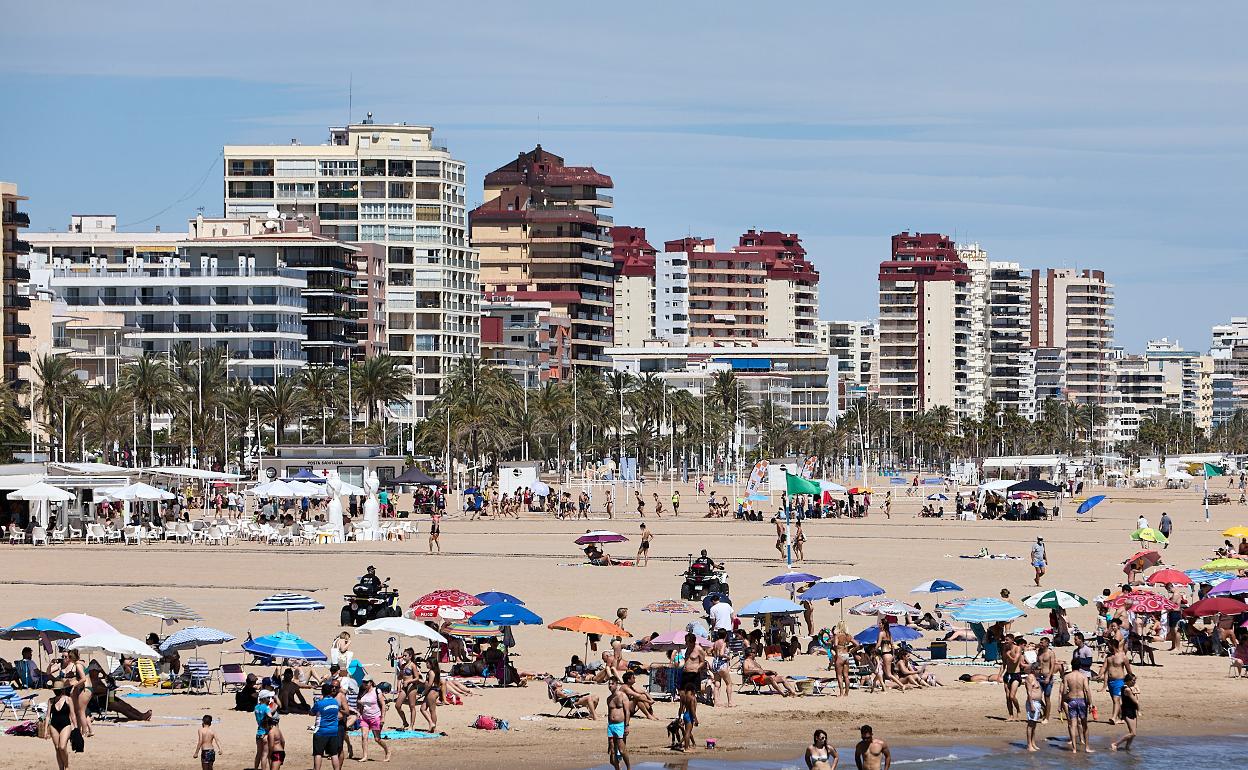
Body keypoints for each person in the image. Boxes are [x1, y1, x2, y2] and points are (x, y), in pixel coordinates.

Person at [677, 632, 706, 751]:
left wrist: (697, 668)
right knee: (682, 697)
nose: (686, 643)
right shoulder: (686, 650)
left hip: (694, 674)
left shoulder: (698, 649)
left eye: (688, 641)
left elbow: (703, 661)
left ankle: (691, 716)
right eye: (686, 641)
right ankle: (682, 716)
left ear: (693, 641)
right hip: (685, 673)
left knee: (691, 697)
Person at [311, 682, 344, 770]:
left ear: (322, 692)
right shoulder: (335, 702)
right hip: (333, 730)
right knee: (334, 754)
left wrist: (315, 703)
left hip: (321, 731)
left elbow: (311, 712)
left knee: (318, 753)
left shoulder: (320, 703)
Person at [46, 680, 77, 770]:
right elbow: (48, 716)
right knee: (57, 748)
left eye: (58, 690)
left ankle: (66, 766)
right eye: (55, 690)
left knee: (62, 747)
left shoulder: (68, 699)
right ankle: (61, 768)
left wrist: (76, 727)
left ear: (62, 690)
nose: (56, 691)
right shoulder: (51, 701)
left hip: (66, 725)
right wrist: (45, 730)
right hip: (53, 725)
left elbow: (73, 714)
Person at [1102, 639, 1133, 725]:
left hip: (1119, 681)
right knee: (1115, 701)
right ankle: (1121, 718)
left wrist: (1132, 679)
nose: (1108, 647)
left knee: (1116, 699)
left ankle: (1113, 718)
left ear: (1113, 646)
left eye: (1109, 645)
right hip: (1110, 682)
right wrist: (1099, 675)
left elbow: (1129, 670)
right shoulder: (1109, 657)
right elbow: (1104, 668)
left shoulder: (1123, 657)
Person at [1110, 672, 1140, 751]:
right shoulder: (1127, 689)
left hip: (1132, 709)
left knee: (1132, 733)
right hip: (1127, 711)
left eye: (1135, 680)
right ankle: (1115, 744)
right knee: (1133, 733)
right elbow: (1136, 701)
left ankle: (1127, 747)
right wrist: (1137, 692)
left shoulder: (1128, 688)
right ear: (1128, 680)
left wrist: (1135, 690)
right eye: (1133, 680)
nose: (1134, 682)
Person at [606, 680, 631, 770]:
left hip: (620, 725)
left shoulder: (622, 696)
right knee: (612, 751)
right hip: (611, 726)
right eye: (609, 684)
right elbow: (609, 713)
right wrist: (608, 726)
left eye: (612, 684)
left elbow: (627, 712)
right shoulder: (609, 699)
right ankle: (618, 769)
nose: (610, 685)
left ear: (616, 685)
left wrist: (627, 726)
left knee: (622, 750)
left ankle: (628, 767)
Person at [1023, 666, 1044, 752]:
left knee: (1034, 724)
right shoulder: (1030, 678)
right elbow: (1029, 692)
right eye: (1038, 669)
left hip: (1038, 703)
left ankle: (1033, 742)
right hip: (1033, 703)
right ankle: (1029, 745)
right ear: (1034, 669)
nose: (1040, 670)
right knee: (1030, 724)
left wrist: (1042, 705)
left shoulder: (1036, 678)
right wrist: (1031, 705)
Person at [254, 689, 276, 770]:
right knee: (265, 755)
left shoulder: (256, 707)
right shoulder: (266, 708)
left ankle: (256, 768)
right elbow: (270, 718)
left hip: (259, 733)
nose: (270, 699)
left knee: (258, 753)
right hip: (265, 733)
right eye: (268, 697)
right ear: (265, 698)